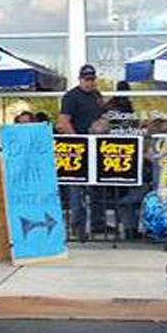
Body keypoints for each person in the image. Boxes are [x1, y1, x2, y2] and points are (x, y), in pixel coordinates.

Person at [57, 64, 107, 240]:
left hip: (95, 147)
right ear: (80, 79)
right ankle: (77, 226)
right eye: (86, 79)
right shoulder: (71, 96)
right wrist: (79, 140)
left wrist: (102, 125)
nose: (90, 82)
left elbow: (102, 116)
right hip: (77, 149)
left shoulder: (96, 95)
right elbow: (63, 122)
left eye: (92, 79)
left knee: (97, 187)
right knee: (77, 188)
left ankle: (98, 223)